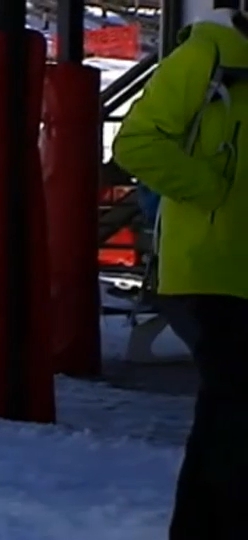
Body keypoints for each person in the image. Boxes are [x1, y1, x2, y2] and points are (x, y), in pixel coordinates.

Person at [113, 8, 248, 539]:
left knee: (231, 418)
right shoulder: (206, 54)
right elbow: (137, 143)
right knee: (233, 415)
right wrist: (217, 191)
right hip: (209, 270)